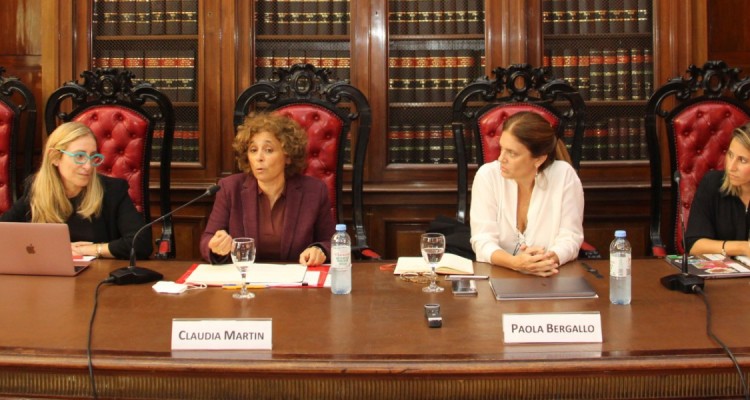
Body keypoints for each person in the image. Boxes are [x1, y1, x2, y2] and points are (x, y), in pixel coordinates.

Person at [0, 121, 152, 260]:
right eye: (79, 156)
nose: (88, 166)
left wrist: (91, 249)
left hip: (98, 277)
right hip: (48, 277)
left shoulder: (113, 190)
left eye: (93, 157)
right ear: (55, 157)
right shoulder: (36, 189)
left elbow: (141, 243)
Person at [200, 112, 336, 265]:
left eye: (268, 150)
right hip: (245, 281)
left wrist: (320, 250)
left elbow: (331, 242)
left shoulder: (314, 191)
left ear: (287, 156)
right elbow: (208, 239)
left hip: (295, 282)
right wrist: (215, 246)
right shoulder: (229, 188)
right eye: (253, 150)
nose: (259, 157)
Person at [469, 111, 584, 277]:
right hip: (499, 275)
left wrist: (544, 261)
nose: (501, 158)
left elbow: (571, 238)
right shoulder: (487, 176)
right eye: (502, 148)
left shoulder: (564, 176)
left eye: (512, 153)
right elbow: (482, 240)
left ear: (538, 159)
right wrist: (515, 263)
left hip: (550, 276)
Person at [686, 122, 750, 256]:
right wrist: (743, 248)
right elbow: (694, 244)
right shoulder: (713, 184)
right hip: (721, 274)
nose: (731, 167)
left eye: (743, 160)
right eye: (730, 155)